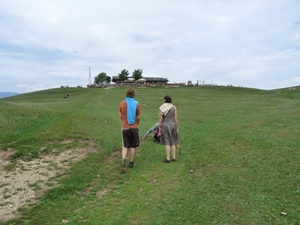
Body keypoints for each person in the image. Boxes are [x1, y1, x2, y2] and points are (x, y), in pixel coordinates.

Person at [119, 88, 141, 173]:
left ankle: (123, 160)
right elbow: (138, 117)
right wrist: (136, 123)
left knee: (125, 146)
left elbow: (120, 115)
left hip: (125, 127)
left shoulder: (122, 103)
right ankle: (131, 163)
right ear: (133, 94)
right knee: (133, 146)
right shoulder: (137, 103)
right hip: (134, 127)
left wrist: (124, 121)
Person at [159, 95, 179, 163]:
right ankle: (174, 157)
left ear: (165, 100)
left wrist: (160, 125)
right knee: (173, 141)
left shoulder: (162, 107)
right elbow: (175, 117)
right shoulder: (174, 107)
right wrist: (177, 126)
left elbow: (161, 117)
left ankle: (168, 158)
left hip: (166, 125)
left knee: (167, 141)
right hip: (173, 124)